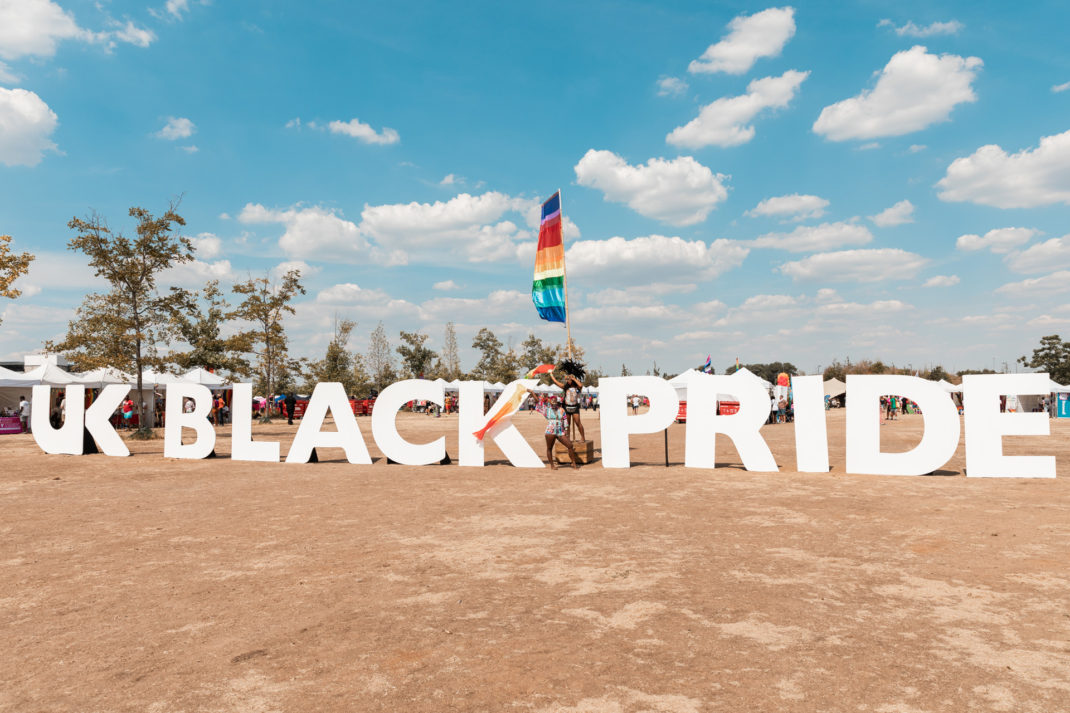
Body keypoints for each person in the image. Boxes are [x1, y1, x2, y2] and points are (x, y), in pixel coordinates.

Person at [532, 392, 579, 470]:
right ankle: (552, 465)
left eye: (555, 401)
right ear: (550, 401)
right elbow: (538, 401)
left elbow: (565, 420)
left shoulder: (561, 409)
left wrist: (566, 431)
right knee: (549, 448)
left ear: (557, 402)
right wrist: (532, 392)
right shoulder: (546, 409)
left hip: (560, 431)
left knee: (570, 445)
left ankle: (573, 464)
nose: (553, 402)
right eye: (552, 401)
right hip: (550, 430)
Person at [549, 363, 586, 442]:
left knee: (578, 422)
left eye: (568, 379)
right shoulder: (565, 387)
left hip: (575, 407)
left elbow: (581, 385)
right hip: (566, 407)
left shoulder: (577, 387)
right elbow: (556, 382)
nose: (567, 381)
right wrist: (551, 375)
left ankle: (583, 437)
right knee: (567, 424)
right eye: (567, 380)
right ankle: (568, 438)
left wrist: (574, 378)